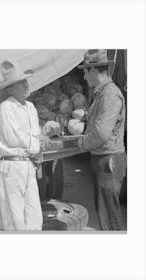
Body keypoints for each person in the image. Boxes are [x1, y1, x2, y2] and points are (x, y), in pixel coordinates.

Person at [0, 59, 46, 231]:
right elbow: (13, 138)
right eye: (20, 83)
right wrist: (38, 142)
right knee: (15, 216)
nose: (26, 86)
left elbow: (35, 133)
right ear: (10, 89)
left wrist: (39, 140)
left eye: (25, 81)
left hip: (28, 164)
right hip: (12, 166)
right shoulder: (6, 108)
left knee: (33, 213)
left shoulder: (31, 107)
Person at [77, 49, 126, 230]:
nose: (83, 77)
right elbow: (100, 123)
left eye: (84, 71)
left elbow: (101, 133)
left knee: (109, 216)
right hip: (103, 158)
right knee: (105, 211)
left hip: (108, 159)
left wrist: (82, 143)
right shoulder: (102, 92)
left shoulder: (109, 94)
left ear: (92, 70)